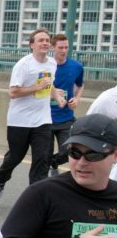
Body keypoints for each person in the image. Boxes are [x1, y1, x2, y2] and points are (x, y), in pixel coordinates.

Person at [0, 29, 63, 197]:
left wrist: (57, 97)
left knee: (42, 159)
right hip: (19, 120)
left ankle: (36, 196)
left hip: (42, 120)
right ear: (32, 45)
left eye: (47, 40)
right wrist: (36, 87)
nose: (45, 43)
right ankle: (1, 178)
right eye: (40, 40)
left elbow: (49, 84)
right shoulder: (24, 65)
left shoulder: (52, 63)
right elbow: (13, 92)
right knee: (15, 157)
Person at [49, 33, 84, 175]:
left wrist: (76, 99)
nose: (63, 51)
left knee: (68, 150)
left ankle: (53, 163)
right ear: (53, 48)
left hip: (66, 117)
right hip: (46, 117)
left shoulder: (76, 66)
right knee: (44, 153)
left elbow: (80, 85)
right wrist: (53, 93)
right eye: (60, 47)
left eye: (66, 47)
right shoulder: (46, 66)